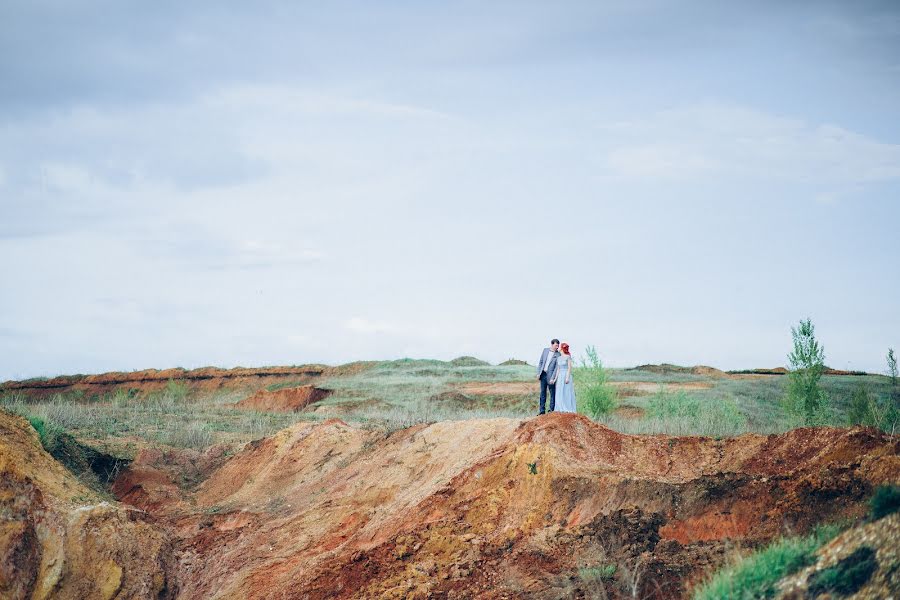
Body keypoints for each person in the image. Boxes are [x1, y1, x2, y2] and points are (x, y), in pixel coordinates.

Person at [551, 342, 577, 413]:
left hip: (566, 375)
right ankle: (560, 408)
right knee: (559, 391)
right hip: (560, 376)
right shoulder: (559, 358)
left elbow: (569, 368)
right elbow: (558, 370)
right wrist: (555, 379)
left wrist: (567, 377)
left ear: (562, 349)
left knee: (566, 392)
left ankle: (567, 408)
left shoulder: (568, 357)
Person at [536, 339, 560, 415]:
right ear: (552, 344)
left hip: (551, 377)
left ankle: (551, 410)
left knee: (552, 393)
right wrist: (538, 373)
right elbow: (541, 362)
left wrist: (553, 378)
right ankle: (542, 411)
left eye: (558, 345)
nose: (557, 347)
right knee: (542, 393)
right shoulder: (545, 350)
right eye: (556, 345)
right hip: (543, 374)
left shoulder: (558, 354)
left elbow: (556, 368)